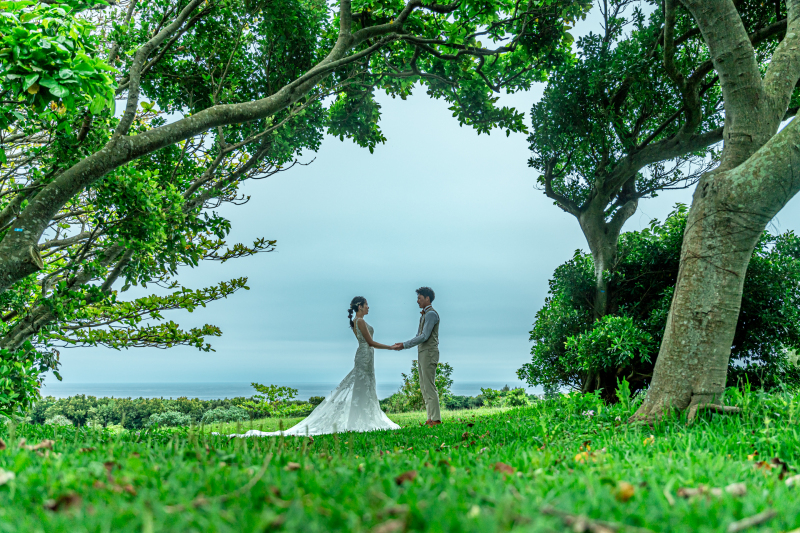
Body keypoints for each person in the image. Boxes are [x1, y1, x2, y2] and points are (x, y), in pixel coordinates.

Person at [228, 296, 400, 437]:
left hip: (366, 356)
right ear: (360, 306)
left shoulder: (356, 321)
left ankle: (363, 416)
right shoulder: (360, 321)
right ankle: (359, 419)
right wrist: (390, 347)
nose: (369, 307)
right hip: (365, 354)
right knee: (362, 385)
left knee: (366, 386)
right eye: (367, 305)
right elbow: (369, 342)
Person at [391, 287, 441, 427]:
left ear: (427, 299)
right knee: (424, 386)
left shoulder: (431, 314)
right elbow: (419, 336)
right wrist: (404, 344)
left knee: (429, 386)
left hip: (429, 352)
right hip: (423, 353)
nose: (417, 300)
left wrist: (404, 345)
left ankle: (436, 419)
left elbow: (424, 336)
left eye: (419, 298)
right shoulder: (424, 315)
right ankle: (430, 418)